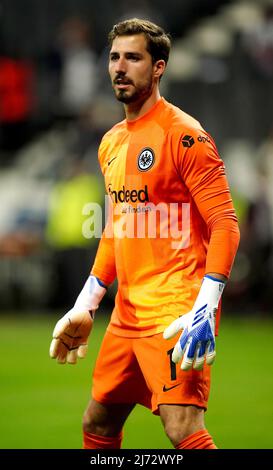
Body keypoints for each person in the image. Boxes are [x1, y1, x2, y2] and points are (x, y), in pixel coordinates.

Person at [49, 18, 240, 449]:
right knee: (98, 422)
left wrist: (206, 307)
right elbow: (117, 228)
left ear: (158, 68)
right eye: (114, 57)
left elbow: (225, 223)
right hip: (127, 315)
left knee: (181, 428)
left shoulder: (185, 136)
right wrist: (87, 302)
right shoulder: (111, 142)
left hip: (176, 310)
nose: (120, 67)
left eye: (133, 57)